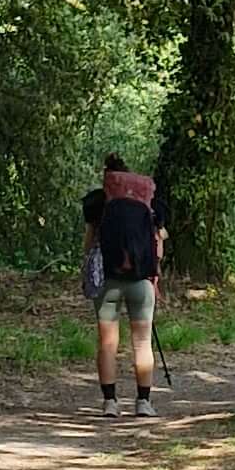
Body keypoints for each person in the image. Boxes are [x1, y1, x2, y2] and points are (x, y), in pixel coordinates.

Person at [82, 151, 164, 418]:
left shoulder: (97, 201)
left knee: (108, 343)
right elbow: (158, 244)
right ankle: (143, 402)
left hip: (108, 281)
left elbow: (88, 244)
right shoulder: (148, 201)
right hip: (141, 281)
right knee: (142, 343)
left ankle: (110, 403)